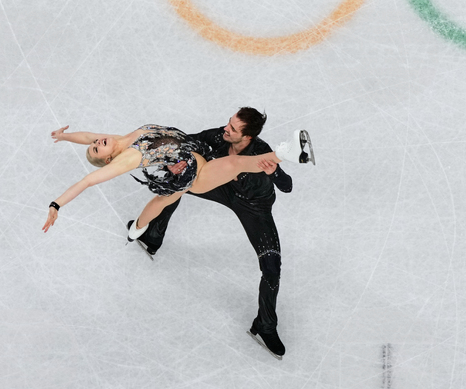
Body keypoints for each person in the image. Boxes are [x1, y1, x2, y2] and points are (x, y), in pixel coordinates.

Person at [138, 108, 293, 359]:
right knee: (182, 182)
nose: (226, 129)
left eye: (233, 129)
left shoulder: (262, 152)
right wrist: (177, 160)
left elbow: (287, 186)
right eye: (228, 123)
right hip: (223, 188)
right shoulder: (219, 137)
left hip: (255, 208)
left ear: (247, 138)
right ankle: (152, 236)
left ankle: (265, 326)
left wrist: (272, 172)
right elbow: (188, 141)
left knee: (272, 268)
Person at [41, 123, 313, 245]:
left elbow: (88, 134)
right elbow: (88, 180)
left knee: (164, 200)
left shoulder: (120, 138)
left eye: (96, 144)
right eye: (97, 150)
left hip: (195, 152)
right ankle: (286, 153)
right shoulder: (124, 159)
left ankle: (136, 230)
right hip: (193, 173)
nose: (97, 143)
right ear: (109, 158)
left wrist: (65, 137)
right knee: (234, 165)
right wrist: (56, 205)